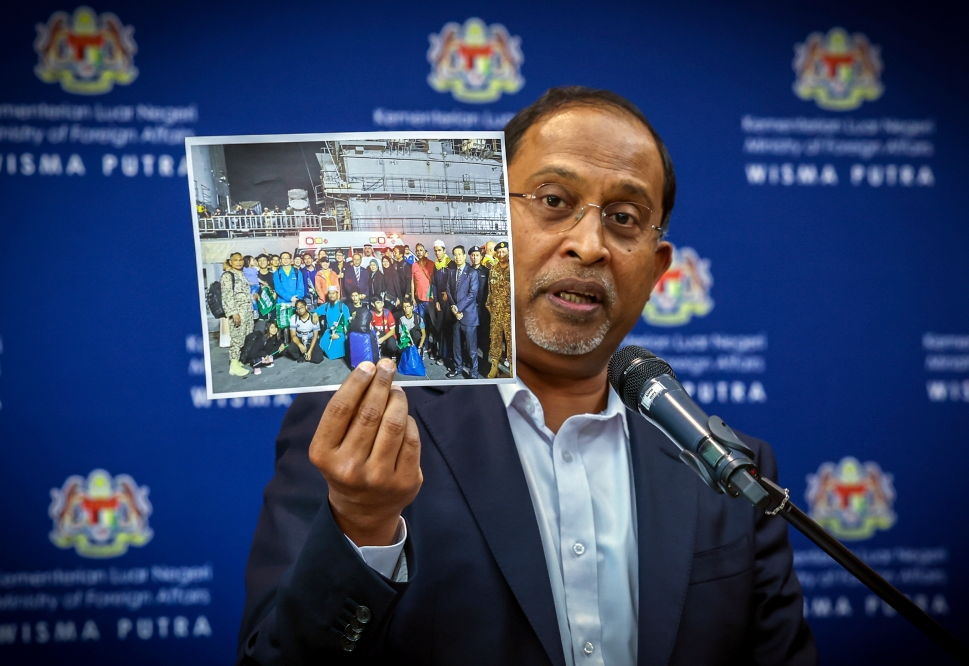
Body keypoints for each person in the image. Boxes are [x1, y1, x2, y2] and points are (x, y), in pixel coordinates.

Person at [238, 87, 814, 665]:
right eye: (554, 201)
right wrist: (362, 526)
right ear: (491, 225)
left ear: (657, 266)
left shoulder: (731, 473)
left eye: (623, 218)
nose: (589, 246)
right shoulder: (369, 435)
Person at [445, 245, 480, 379]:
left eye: (460, 254)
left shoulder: (472, 272)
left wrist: (458, 308)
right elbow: (448, 290)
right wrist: (454, 308)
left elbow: (472, 294)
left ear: (465, 256)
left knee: (471, 349)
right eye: (455, 254)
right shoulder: (452, 272)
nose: (457, 257)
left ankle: (473, 373)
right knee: (457, 346)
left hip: (468, 316)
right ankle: (458, 368)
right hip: (455, 316)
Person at [219, 252, 253, 378]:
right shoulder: (228, 276)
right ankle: (233, 365)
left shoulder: (242, 274)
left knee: (245, 336)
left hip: (247, 312)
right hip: (238, 313)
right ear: (231, 262)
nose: (239, 262)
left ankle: (238, 361)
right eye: (236, 260)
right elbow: (227, 296)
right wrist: (234, 313)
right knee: (237, 339)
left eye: (240, 260)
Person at [486, 241, 512, 379]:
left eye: (504, 252)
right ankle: (494, 367)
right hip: (495, 312)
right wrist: (489, 305)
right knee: (495, 341)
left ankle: (513, 370)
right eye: (499, 252)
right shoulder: (493, 269)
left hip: (510, 313)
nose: (501, 254)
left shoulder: (513, 269)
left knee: (511, 342)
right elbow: (490, 291)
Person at [312, 286, 349, 360]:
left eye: (333, 293)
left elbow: (347, 323)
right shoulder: (327, 306)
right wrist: (315, 314)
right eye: (329, 293)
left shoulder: (343, 307)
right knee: (323, 343)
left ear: (337, 294)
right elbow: (317, 310)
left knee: (334, 351)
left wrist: (338, 334)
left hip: (340, 332)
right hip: (329, 331)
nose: (331, 295)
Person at [284, 300, 324, 364]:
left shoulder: (313, 317)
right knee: (290, 349)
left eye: (302, 307)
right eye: (298, 308)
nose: (300, 310)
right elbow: (293, 335)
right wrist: (300, 345)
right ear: (296, 310)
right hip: (299, 338)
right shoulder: (294, 318)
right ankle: (301, 355)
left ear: (306, 307)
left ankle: (307, 353)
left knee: (318, 358)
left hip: (310, 339)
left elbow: (315, 336)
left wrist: (310, 351)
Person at [470, 244, 491, 363]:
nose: (475, 257)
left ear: (481, 257)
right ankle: (472, 360)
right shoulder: (467, 271)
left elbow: (490, 291)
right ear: (470, 257)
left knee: (484, 334)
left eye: (477, 255)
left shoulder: (486, 272)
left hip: (483, 308)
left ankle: (484, 359)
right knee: (472, 335)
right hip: (471, 308)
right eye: (473, 255)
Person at [369, 294, 399, 361]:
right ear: (373, 304)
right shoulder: (370, 314)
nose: (381, 305)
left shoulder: (387, 313)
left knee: (392, 345)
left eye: (381, 302)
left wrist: (382, 339)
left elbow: (393, 331)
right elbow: (369, 329)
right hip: (378, 335)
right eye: (378, 303)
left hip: (388, 335)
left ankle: (393, 354)